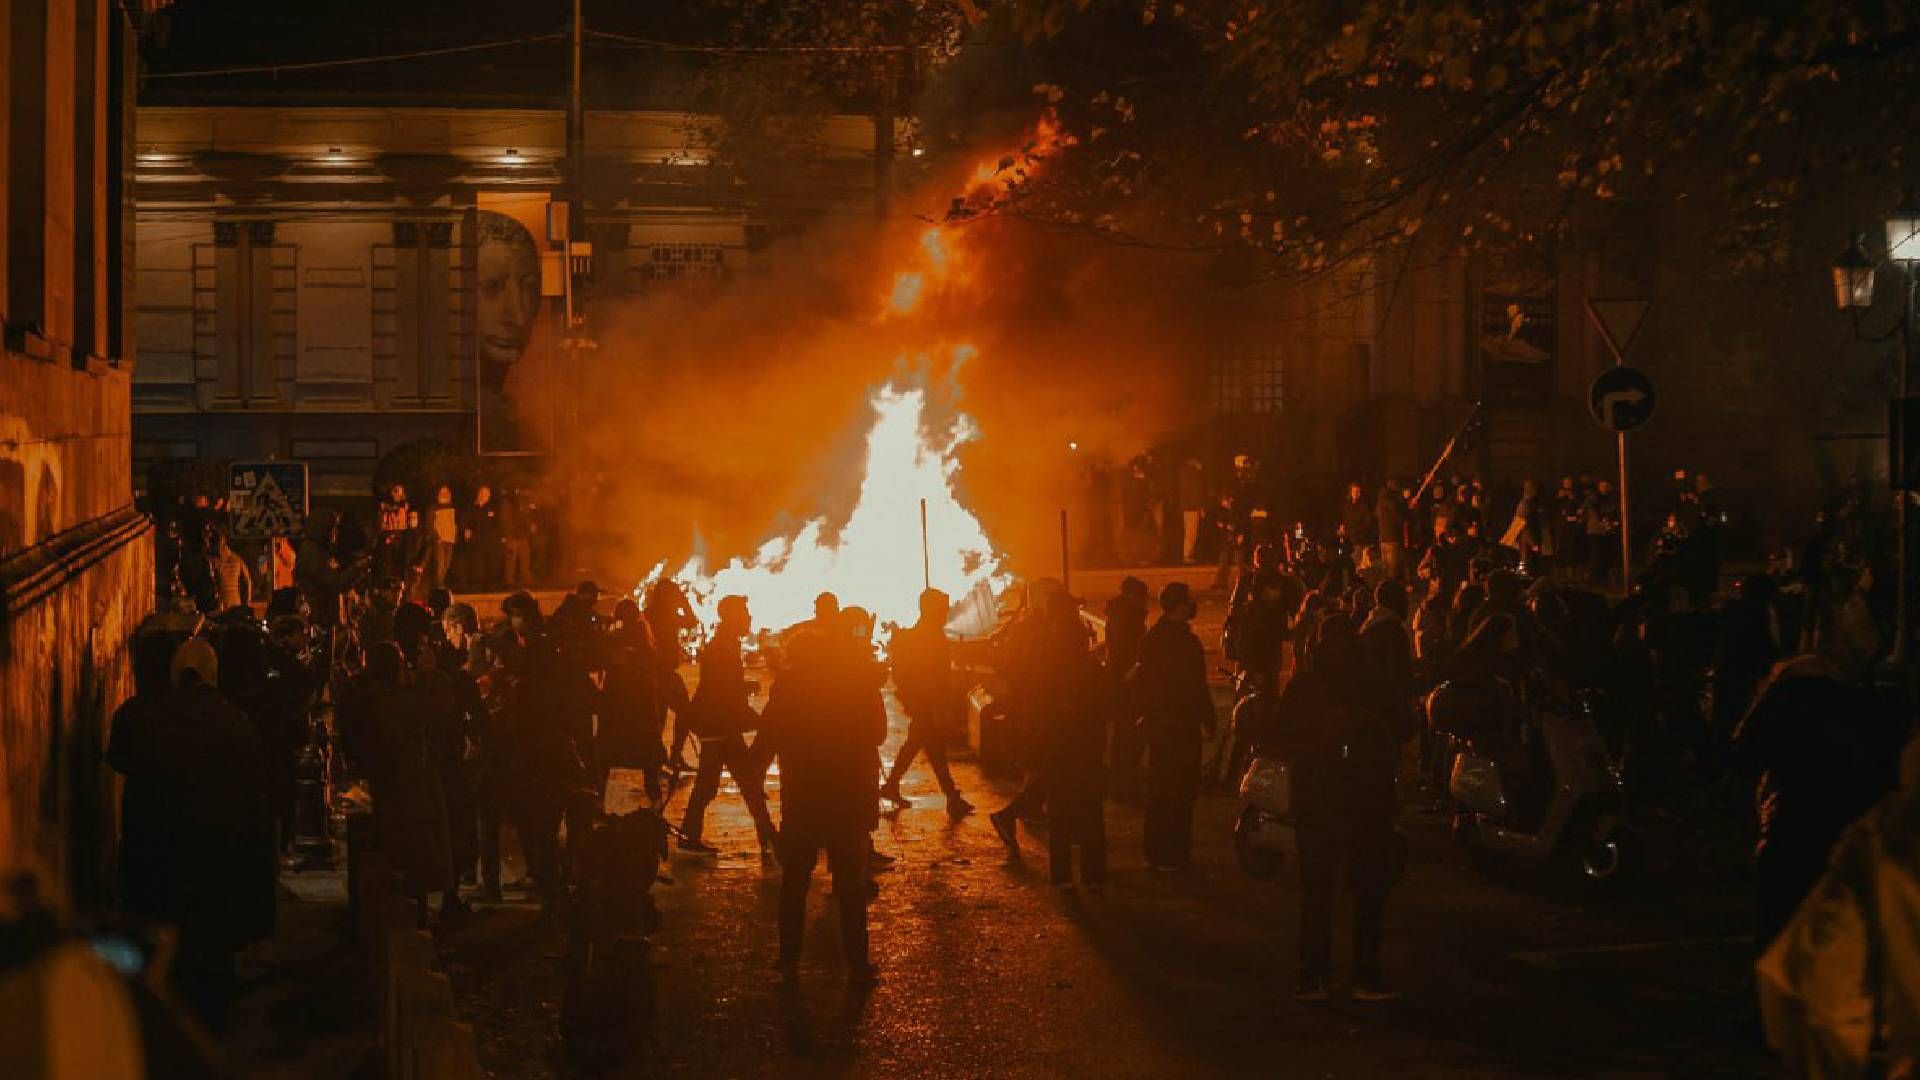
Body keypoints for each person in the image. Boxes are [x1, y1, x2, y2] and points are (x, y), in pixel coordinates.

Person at [111, 638, 274, 1027]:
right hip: (214, 857)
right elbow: (253, 797)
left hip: (156, 857)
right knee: (209, 952)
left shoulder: (139, 717)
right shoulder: (233, 723)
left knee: (166, 955)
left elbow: (119, 759)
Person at [1265, 615, 1405, 1002]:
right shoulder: (1372, 684)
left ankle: (1313, 978)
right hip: (1368, 798)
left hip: (1318, 798)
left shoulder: (1305, 686)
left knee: (1317, 893)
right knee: (1368, 894)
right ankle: (1365, 976)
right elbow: (1402, 725)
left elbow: (1280, 735)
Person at [759, 619, 887, 981]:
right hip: (849, 797)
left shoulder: (787, 691)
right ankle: (858, 964)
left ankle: (787, 961)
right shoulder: (859, 686)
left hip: (804, 799)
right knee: (850, 884)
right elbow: (877, 733)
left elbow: (767, 742)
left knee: (795, 882)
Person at [679, 595, 780, 858]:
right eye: (744, 613)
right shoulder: (722, 647)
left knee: (737, 782)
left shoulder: (724, 644)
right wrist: (747, 709)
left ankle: (765, 833)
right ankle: (766, 834)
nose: (748, 618)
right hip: (718, 725)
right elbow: (720, 688)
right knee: (735, 782)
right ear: (732, 617)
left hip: (721, 725)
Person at [1128, 582, 1215, 870]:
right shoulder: (1185, 644)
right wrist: (1208, 719)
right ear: (1180, 605)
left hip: (1161, 725)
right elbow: (1196, 687)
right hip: (1180, 726)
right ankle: (1174, 852)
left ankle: (1157, 851)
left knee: (1162, 789)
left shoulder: (1152, 639)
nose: (1193, 604)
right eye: (1189, 600)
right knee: (1179, 791)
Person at [1031, 587, 1110, 890]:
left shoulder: (1044, 653)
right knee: (1090, 811)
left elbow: (1038, 703)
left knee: (1060, 813)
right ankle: (1093, 874)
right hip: (1083, 743)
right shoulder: (1080, 654)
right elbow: (1101, 698)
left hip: (1057, 744)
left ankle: (1061, 873)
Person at [882, 589, 975, 818]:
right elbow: (934, 676)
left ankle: (893, 786)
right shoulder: (929, 637)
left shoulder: (924, 634)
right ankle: (951, 798)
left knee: (923, 746)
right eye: (942, 608)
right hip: (929, 704)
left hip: (925, 704)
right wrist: (939, 705)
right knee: (933, 748)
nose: (945, 613)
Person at [600, 597, 667, 804]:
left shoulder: (622, 640)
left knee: (606, 757)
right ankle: (654, 797)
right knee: (645, 757)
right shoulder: (643, 641)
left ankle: (597, 800)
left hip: (622, 707)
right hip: (635, 708)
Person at [1103, 577, 1151, 803]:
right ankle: (1124, 787)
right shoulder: (1128, 617)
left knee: (1124, 738)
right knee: (1129, 739)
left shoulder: (1119, 614)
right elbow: (1129, 652)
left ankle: (1120, 785)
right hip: (1127, 685)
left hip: (1120, 683)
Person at [460, 484, 501, 589]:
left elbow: (497, 523)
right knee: (476, 561)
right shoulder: (471, 507)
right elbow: (465, 521)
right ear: (478, 494)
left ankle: (489, 584)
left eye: (487, 493)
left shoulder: (492, 508)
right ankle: (475, 583)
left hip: (489, 539)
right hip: (475, 539)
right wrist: (466, 530)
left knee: (489, 561)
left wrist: (497, 537)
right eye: (483, 493)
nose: (485, 495)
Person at [422, 485, 460, 596]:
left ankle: (441, 584)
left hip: (450, 539)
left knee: (447, 564)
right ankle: (438, 586)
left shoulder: (452, 507)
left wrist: (455, 535)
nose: (445, 494)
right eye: (442, 491)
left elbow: (455, 523)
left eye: (447, 492)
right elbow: (429, 524)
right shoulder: (433, 507)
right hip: (439, 540)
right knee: (440, 563)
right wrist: (436, 536)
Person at [210, 530, 252, 612]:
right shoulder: (237, 559)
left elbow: (211, 583)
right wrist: (247, 602)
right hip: (235, 603)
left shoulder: (213, 561)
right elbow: (248, 581)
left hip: (220, 605)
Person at [1376, 483, 1408, 580]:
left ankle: (1385, 588)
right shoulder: (1393, 503)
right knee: (1393, 569)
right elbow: (1399, 519)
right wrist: (1407, 507)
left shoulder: (1380, 503)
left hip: (1383, 538)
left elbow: (1377, 515)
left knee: (1385, 568)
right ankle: (1391, 590)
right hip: (1392, 538)